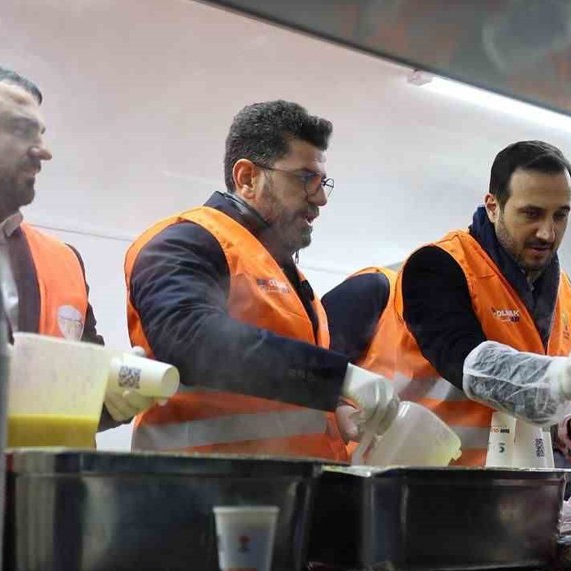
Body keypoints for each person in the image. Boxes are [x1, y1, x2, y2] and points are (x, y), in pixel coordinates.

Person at [124, 100, 396, 461]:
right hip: (198, 495)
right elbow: (191, 339)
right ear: (247, 177)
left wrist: (333, 412)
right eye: (305, 178)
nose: (321, 198)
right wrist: (338, 377)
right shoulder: (187, 241)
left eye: (322, 181)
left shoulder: (281, 270)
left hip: (281, 493)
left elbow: (270, 390)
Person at [359, 140, 571, 466]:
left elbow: (531, 405)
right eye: (532, 213)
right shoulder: (437, 266)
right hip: (416, 480)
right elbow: (468, 363)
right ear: (492, 206)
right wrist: (563, 379)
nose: (547, 232)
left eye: (560, 215)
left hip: (508, 490)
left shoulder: (563, 292)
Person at [0, 58, 153, 428]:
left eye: (40, 133)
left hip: (41, 484)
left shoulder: (62, 260)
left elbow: (75, 397)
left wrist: (115, 394)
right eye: (21, 130)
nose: (43, 150)